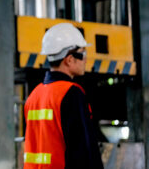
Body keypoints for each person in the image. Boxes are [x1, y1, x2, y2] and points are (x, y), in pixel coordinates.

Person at [23, 23, 103, 169]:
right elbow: (84, 151)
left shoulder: (33, 96)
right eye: (83, 53)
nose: (85, 59)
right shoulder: (71, 93)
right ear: (69, 59)